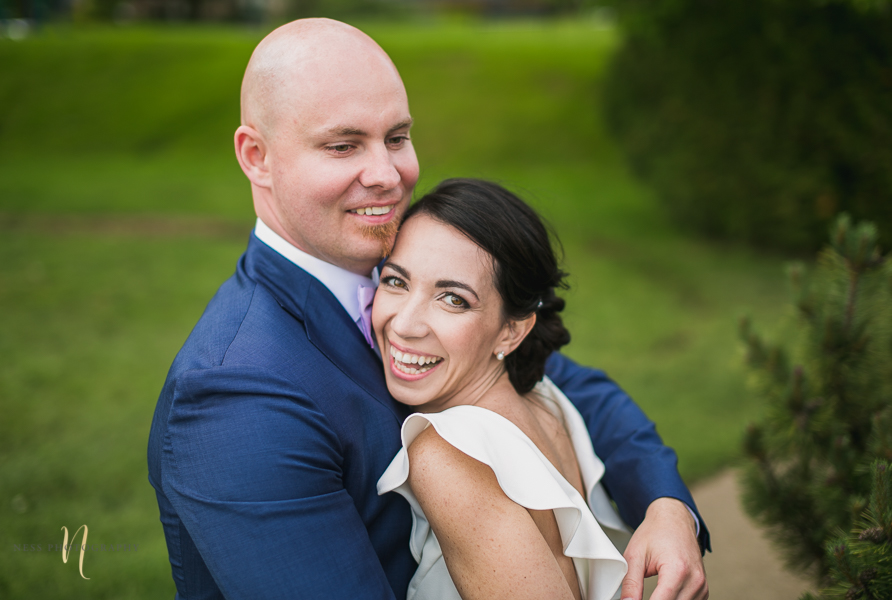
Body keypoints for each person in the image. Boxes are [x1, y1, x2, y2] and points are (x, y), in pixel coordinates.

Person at [147, 17, 710, 600]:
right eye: (343, 146)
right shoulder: (234, 395)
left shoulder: (412, 264)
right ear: (257, 156)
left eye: (396, 138)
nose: (387, 176)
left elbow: (574, 387)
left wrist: (668, 508)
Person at [374, 178, 631, 600]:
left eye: (453, 299)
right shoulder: (548, 402)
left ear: (512, 330)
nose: (404, 324)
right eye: (396, 281)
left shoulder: (448, 455)